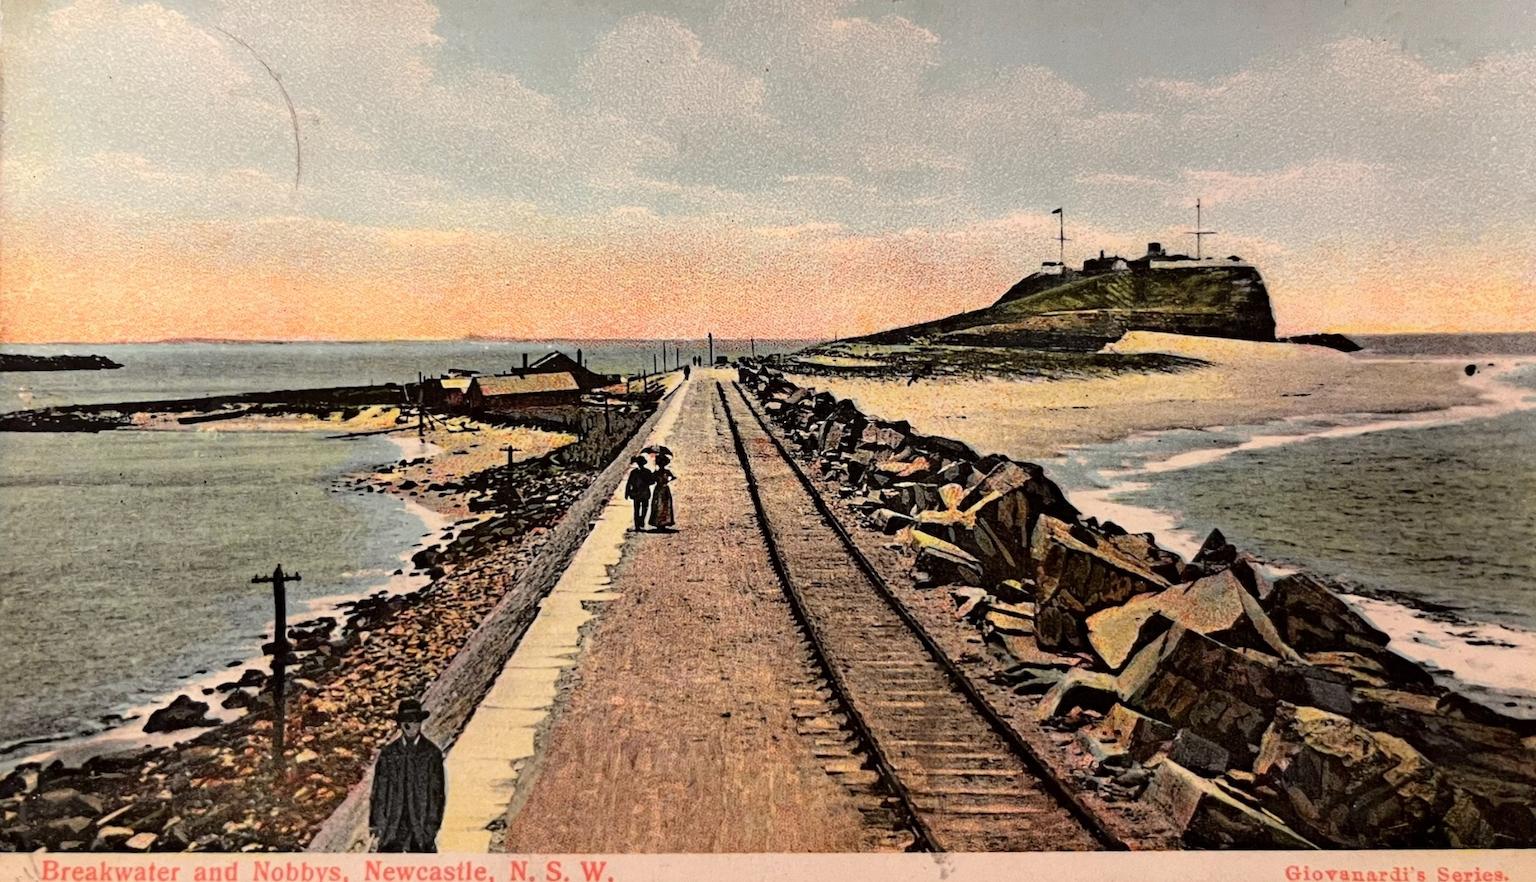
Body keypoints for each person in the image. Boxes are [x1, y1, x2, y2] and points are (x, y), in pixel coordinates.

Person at [369, 698, 445, 852]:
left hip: (420, 828)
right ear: (400, 724)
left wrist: (430, 829)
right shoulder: (388, 754)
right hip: (392, 827)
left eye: (414, 721)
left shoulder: (431, 754)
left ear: (420, 723)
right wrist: (377, 825)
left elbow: (437, 795)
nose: (410, 726)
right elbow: (379, 792)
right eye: (405, 721)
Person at [623, 455, 654, 532]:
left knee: (637, 509)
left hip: (636, 493)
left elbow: (629, 483)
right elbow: (652, 482)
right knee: (644, 508)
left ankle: (638, 524)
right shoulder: (647, 471)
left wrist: (627, 493)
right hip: (644, 493)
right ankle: (641, 521)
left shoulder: (634, 472)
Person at [648, 453, 676, 531]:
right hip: (663, 488)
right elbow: (673, 477)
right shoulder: (666, 471)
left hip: (659, 488)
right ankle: (662, 522)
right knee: (662, 505)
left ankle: (660, 522)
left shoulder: (658, 472)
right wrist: (667, 480)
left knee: (660, 505)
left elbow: (652, 480)